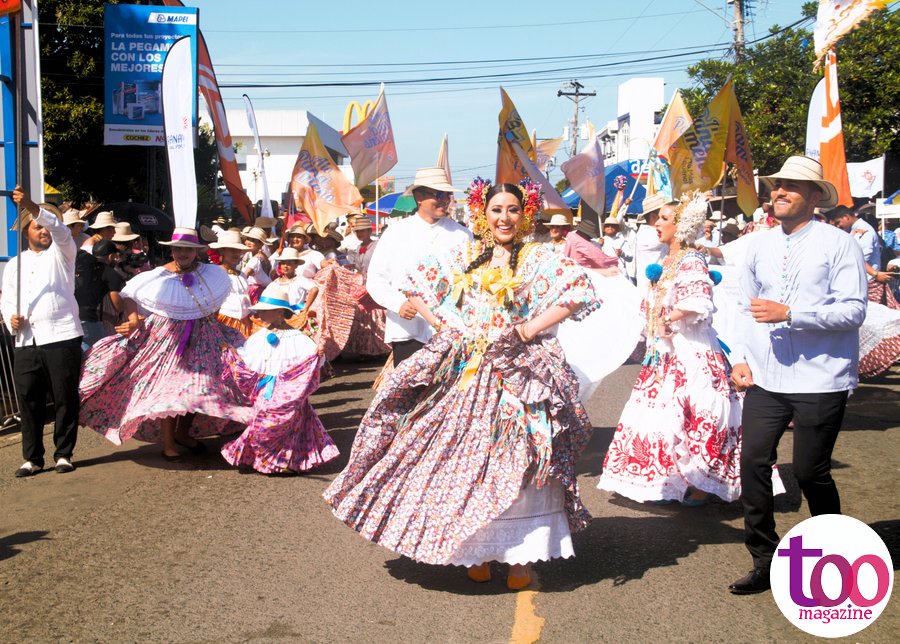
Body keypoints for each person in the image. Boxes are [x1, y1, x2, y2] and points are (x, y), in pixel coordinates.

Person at [325, 180, 598, 590]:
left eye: (512, 210)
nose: (504, 218)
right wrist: (449, 327)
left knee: (523, 457)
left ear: (524, 215)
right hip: (471, 370)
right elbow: (415, 286)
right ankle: (482, 550)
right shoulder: (466, 255)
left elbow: (577, 292)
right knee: (467, 459)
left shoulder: (540, 256)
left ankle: (521, 558)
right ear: (482, 215)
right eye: (496, 210)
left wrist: (527, 330)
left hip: (522, 371)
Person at [727, 156, 867, 595]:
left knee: (810, 472)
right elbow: (740, 306)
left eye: (791, 186)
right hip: (766, 377)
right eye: (777, 186)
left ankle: (833, 557)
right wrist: (739, 356)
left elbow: (854, 310)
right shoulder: (757, 245)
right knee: (752, 463)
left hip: (820, 378)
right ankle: (765, 559)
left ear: (814, 196)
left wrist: (793, 314)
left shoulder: (839, 244)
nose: (779, 192)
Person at [598, 192, 744, 505]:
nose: (655, 224)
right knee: (659, 417)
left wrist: (668, 317)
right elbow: (654, 304)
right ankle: (665, 480)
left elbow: (697, 301)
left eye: (663, 218)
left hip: (691, 352)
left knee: (699, 414)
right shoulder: (666, 261)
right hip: (665, 354)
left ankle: (701, 483)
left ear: (681, 226)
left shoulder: (692, 259)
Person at [79, 227, 252, 462]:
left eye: (188, 249)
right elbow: (130, 295)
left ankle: (182, 433)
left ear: (197, 251)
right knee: (173, 390)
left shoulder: (212, 273)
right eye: (179, 248)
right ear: (172, 250)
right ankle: (169, 442)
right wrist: (132, 320)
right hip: (167, 337)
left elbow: (214, 300)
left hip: (203, 336)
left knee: (200, 388)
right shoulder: (158, 275)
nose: (183, 253)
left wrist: (215, 328)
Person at [1, 187, 83, 476]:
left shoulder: (63, 252)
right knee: (28, 398)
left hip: (61, 335)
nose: (43, 231)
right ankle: (32, 457)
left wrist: (34, 207)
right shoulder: (15, 264)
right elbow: (8, 296)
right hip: (26, 338)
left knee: (64, 395)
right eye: (37, 227)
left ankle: (64, 453)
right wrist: (10, 316)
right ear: (26, 231)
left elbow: (60, 230)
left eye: (44, 225)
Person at [220, 283, 338, 474]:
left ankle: (282, 461)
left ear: (280, 313)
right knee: (262, 421)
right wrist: (231, 354)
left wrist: (319, 354)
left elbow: (312, 358)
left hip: (289, 390)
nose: (260, 315)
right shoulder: (260, 336)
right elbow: (247, 357)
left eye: (266, 311)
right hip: (264, 388)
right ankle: (259, 456)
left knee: (288, 426)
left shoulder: (297, 338)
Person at [366, 167, 472, 367]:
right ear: (419, 197)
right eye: (438, 194)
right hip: (409, 329)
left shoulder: (461, 235)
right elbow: (376, 279)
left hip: (451, 329)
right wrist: (398, 304)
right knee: (410, 394)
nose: (444, 200)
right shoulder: (396, 233)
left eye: (447, 195)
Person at [825, 205, 897, 308]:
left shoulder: (863, 230)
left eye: (838, 222)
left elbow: (858, 258)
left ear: (846, 217)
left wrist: (875, 274)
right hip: (861, 282)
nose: (838, 226)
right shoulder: (854, 231)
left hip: (867, 283)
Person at [75, 240, 125, 350]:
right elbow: (118, 305)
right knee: (100, 353)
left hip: (69, 315)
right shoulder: (110, 273)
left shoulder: (81, 266)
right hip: (87, 319)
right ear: (111, 256)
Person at [210, 230, 254, 337]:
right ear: (222, 251)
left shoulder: (242, 275)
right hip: (224, 320)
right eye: (232, 250)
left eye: (238, 251)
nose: (236, 254)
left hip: (245, 321)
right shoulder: (215, 273)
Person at [634, 194, 672, 289]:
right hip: (650, 288)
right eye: (663, 217)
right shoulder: (647, 234)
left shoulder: (652, 232)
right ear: (654, 216)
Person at [240, 227, 274, 302]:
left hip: (256, 292)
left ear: (260, 244)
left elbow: (246, 273)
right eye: (248, 239)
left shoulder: (256, 259)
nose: (248, 242)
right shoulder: (250, 254)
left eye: (253, 241)